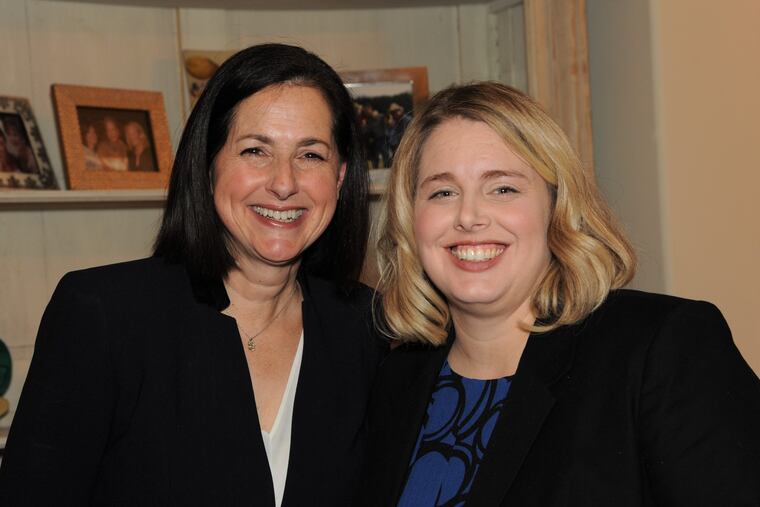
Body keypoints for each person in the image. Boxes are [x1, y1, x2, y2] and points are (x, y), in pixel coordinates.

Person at [0, 43, 384, 506]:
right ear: (207, 164)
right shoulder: (103, 315)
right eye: (255, 150)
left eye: (311, 155)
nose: (284, 183)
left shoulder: (367, 329)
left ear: (340, 177)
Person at [362, 82, 760, 506]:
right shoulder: (393, 379)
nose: (469, 216)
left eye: (503, 188)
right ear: (411, 219)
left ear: (557, 207)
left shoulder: (660, 350)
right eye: (443, 192)